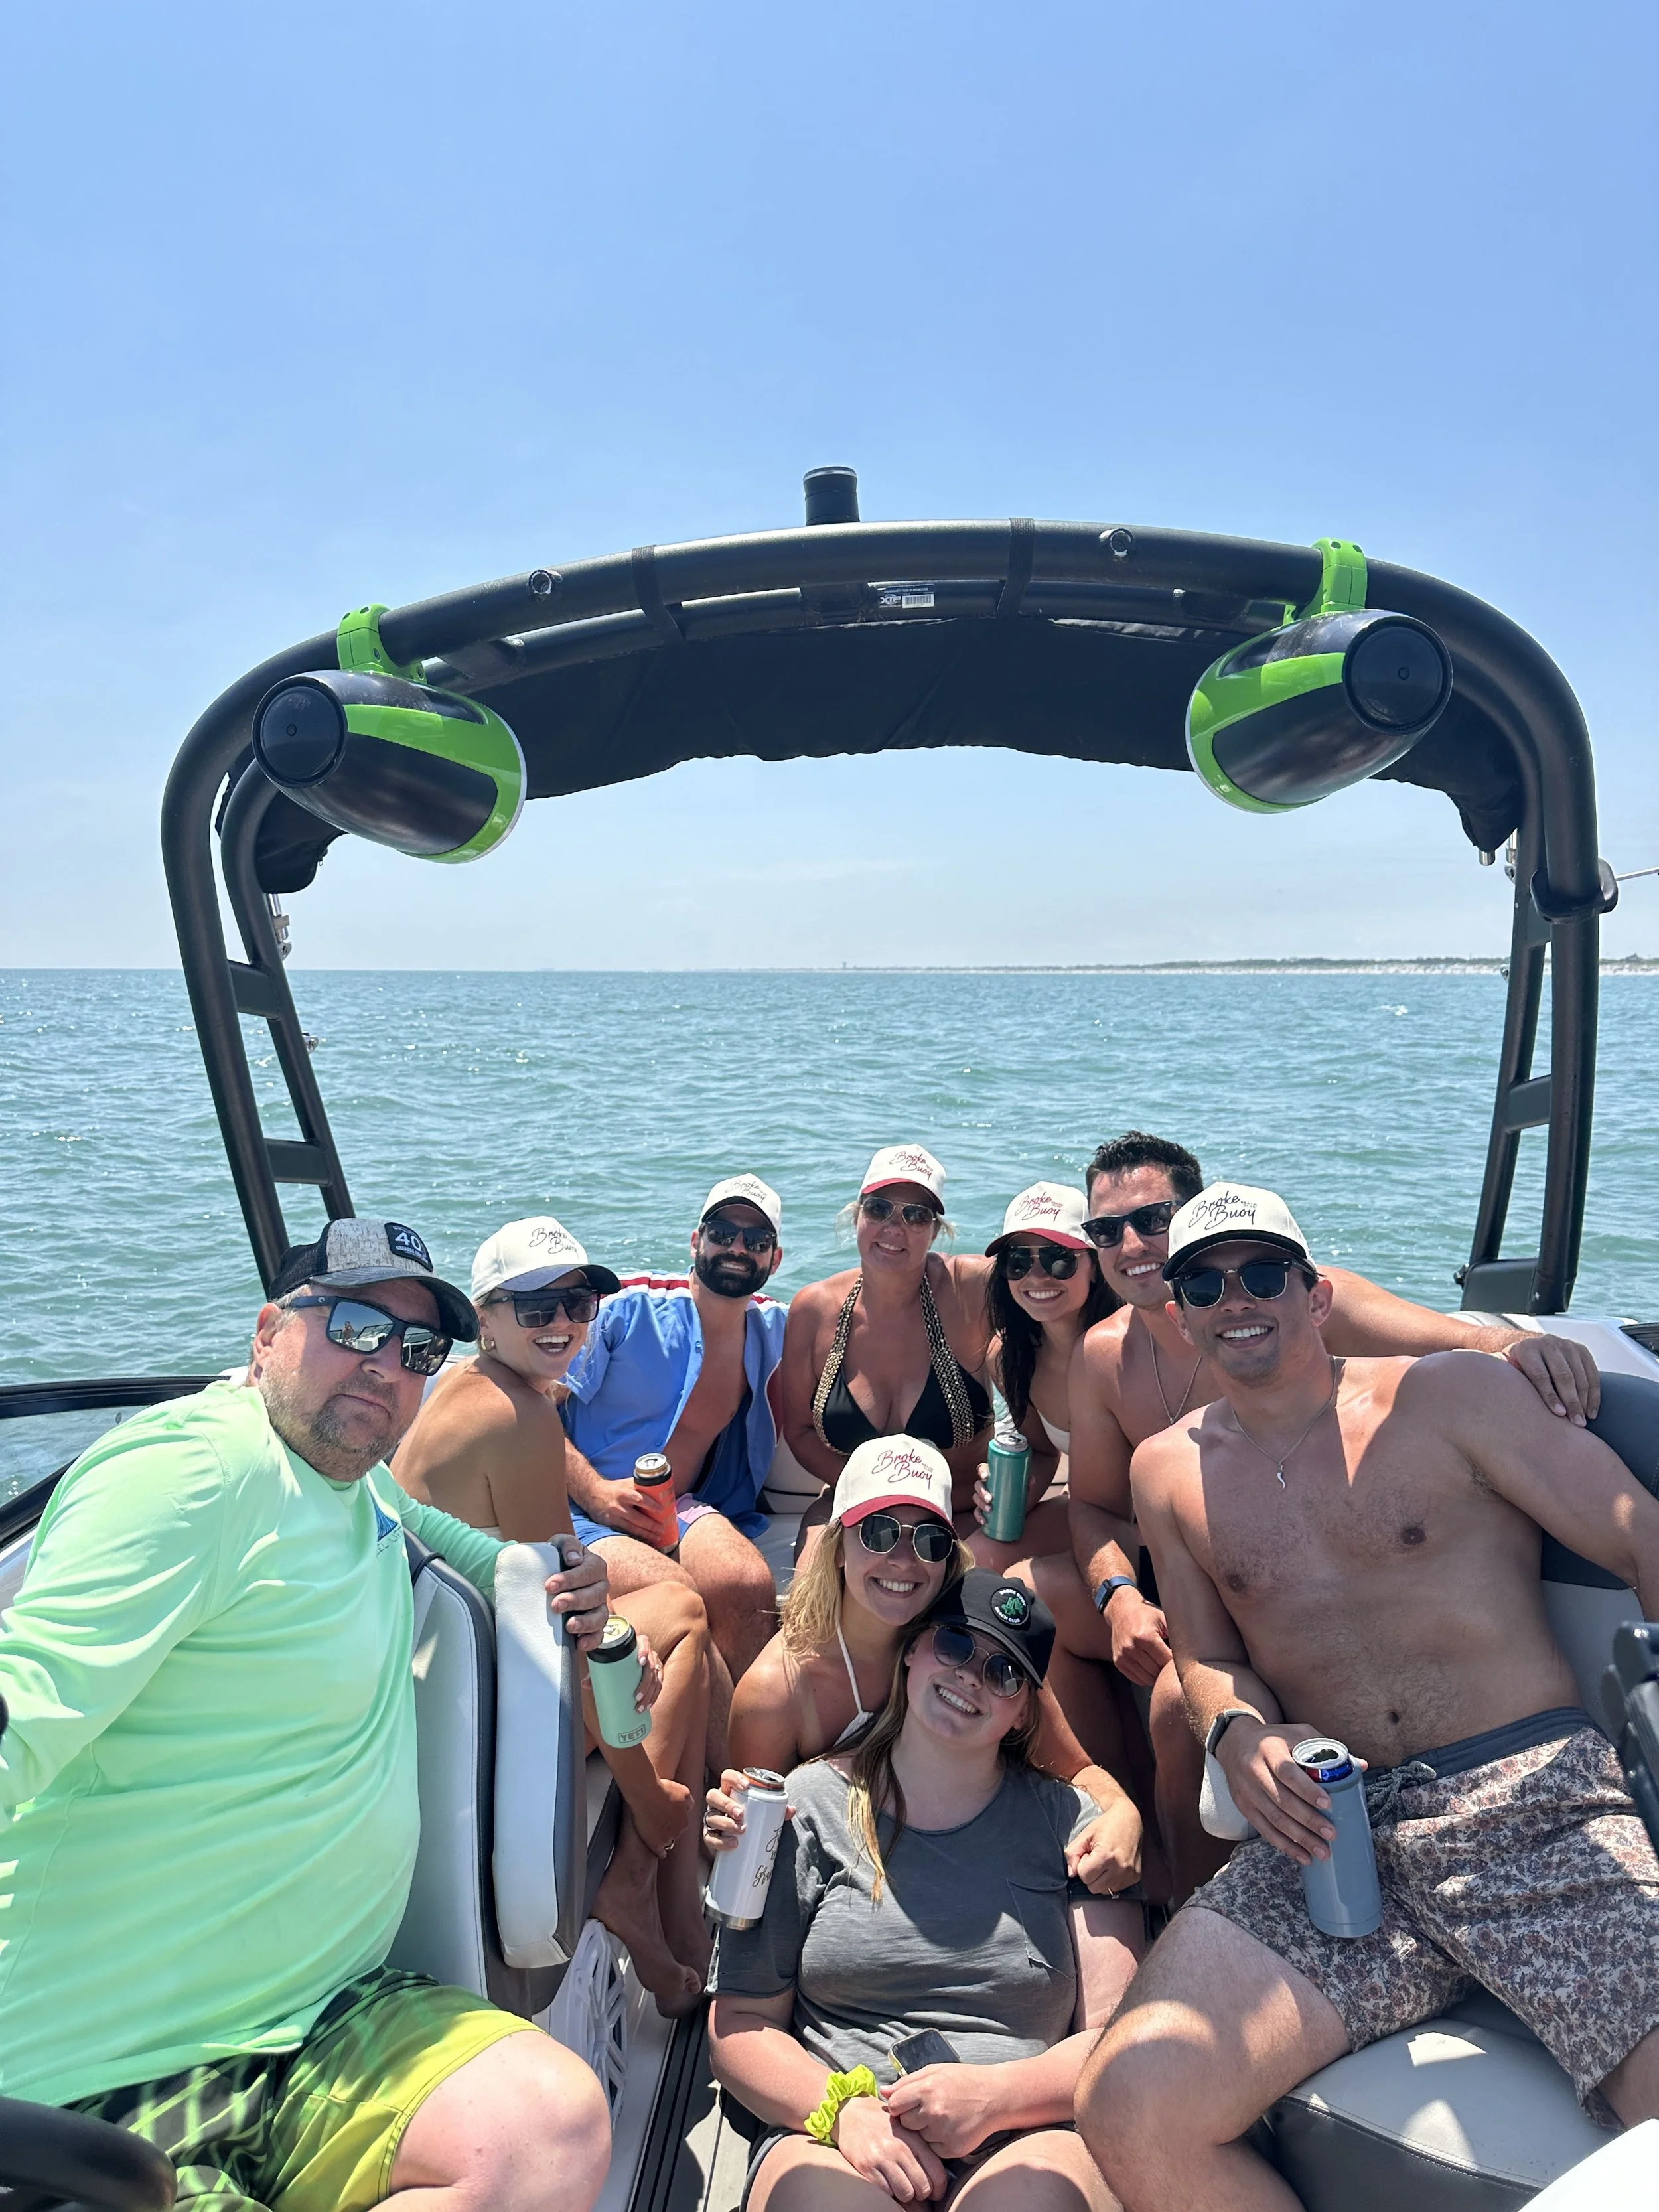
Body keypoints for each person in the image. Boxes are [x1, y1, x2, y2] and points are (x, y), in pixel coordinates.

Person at [0, 1217, 613, 2212]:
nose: (385, 1367)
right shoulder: (199, 1472)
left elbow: (448, 1538)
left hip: (318, 2022)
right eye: (356, 1326)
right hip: (114, 2071)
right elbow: (19, 1713)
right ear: (267, 1332)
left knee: (549, 2131)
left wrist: (547, 1572)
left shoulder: (349, 1479)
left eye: (416, 1350)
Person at [1077, 1182, 1659, 2210]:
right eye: (1204, 1283)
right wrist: (1234, 1729)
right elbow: (1206, 1656)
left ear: (1317, 1293)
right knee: (1130, 2100)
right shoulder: (1168, 1471)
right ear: (1178, 1315)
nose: (1235, 1299)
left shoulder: (1451, 1399)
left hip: (1532, 1808)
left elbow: (1639, 1535)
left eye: (1263, 1274)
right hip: (1333, 1831)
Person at [1062, 1131, 1603, 1899]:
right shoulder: (1105, 1357)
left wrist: (1521, 1351)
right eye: (1105, 1230)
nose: (1131, 1243)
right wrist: (1117, 1598)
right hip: (1198, 1565)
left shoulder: (1305, 1301)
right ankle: (1182, 1899)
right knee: (1147, 1676)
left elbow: (1455, 1342)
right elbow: (1090, 1504)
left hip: (1327, 1595)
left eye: (1152, 1219)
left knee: (1175, 1701)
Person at [710, 1571, 1145, 2212]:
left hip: (1028, 2133)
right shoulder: (805, 1808)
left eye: (1004, 1672)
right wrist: (844, 2114)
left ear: (1024, 1709)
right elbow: (739, 2027)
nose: (972, 1674)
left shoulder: (1076, 1826)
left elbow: (1119, 2040)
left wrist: (997, 2100)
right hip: (842, 2137)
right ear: (912, 1649)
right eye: (956, 1645)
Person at [394, 1215, 712, 2016]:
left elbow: (558, 1580)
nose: (563, 1323)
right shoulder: (520, 1418)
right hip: (486, 1719)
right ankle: (652, 1890)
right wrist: (650, 1796)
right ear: (485, 1318)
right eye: (536, 1310)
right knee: (685, 1630)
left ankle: (666, 1915)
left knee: (681, 1622)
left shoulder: (466, 1393)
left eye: (577, 1303)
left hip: (445, 1680)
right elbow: (563, 1633)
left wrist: (612, 1617)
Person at [702, 1436, 1149, 1898]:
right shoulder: (776, 1693)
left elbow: (1076, 1770)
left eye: (929, 1540)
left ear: (949, 1558)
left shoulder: (978, 1642)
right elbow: (754, 1858)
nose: (903, 1560)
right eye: (879, 1532)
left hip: (980, 1870)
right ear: (837, 1547)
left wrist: (1123, 1812)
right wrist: (726, 1832)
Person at [558, 1173, 789, 1713]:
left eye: (755, 1241)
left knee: (746, 1584)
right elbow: (531, 1404)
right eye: (723, 1232)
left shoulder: (776, 1327)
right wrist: (594, 1492)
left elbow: (863, 1321)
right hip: (583, 1512)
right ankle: (719, 1774)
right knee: (682, 1596)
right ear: (695, 1240)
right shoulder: (621, 1306)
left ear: (774, 1259)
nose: (737, 1248)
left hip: (679, 1507)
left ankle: (750, 1757)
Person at [780, 1147, 995, 1542]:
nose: (895, 1228)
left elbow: (1046, 1279)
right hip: (852, 1510)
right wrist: (873, 1497)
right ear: (858, 1215)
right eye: (880, 1209)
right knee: (814, 1592)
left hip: (961, 1515)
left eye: (916, 1216)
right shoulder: (813, 1309)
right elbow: (799, 1431)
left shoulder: (970, 1291)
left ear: (935, 1231)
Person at [972, 1181, 1118, 1572]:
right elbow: (1041, 1450)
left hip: (1158, 1522)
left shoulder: (1134, 1343)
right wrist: (1013, 1490)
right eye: (1018, 1261)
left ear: (1095, 1266)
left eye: (1058, 1259)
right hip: (1090, 1514)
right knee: (969, 1563)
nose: (1036, 1277)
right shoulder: (1008, 1359)